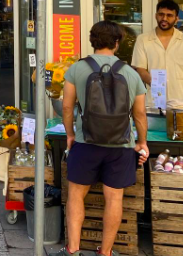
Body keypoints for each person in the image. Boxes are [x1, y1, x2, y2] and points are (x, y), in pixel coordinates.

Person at [58, 20, 148, 256]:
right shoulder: (131, 73)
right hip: (121, 145)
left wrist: (70, 135)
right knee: (114, 198)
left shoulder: (77, 69)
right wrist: (141, 142)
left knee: (76, 195)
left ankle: (73, 250)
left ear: (92, 41)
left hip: (85, 142)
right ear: (117, 43)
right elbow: (139, 114)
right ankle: (105, 252)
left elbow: (67, 108)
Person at [132, 0, 183, 108]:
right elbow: (140, 68)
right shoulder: (143, 39)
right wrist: (156, 84)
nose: (164, 18)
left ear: (176, 18)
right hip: (154, 102)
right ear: (156, 16)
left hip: (180, 102)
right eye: (161, 14)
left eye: (169, 15)